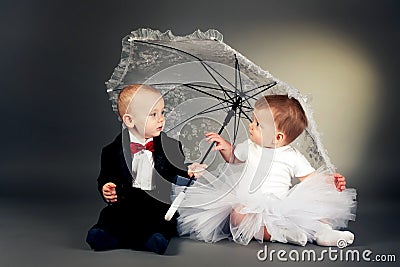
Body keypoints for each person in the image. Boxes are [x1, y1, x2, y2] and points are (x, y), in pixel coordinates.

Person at [175, 94, 357, 247]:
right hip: (248, 204)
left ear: (278, 137)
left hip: (280, 205)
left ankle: (324, 233)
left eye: (258, 124)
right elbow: (233, 158)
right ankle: (283, 235)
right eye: (253, 120)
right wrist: (225, 147)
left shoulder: (292, 156)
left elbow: (310, 178)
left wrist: (328, 181)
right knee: (237, 216)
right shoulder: (250, 146)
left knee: (315, 211)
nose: (250, 125)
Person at [86, 84, 203, 254]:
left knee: (161, 220)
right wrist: (106, 188)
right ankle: (109, 236)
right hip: (125, 202)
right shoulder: (112, 150)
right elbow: (105, 177)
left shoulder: (170, 146)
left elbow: (175, 172)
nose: (161, 119)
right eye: (153, 114)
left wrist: (189, 172)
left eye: (162, 112)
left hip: (155, 203)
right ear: (129, 120)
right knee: (110, 217)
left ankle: (150, 239)